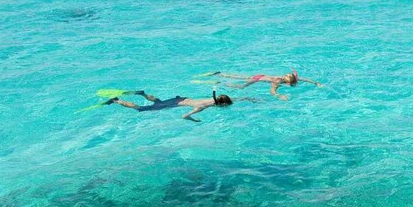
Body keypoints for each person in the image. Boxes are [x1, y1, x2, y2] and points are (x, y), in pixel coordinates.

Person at [103, 90, 234, 122]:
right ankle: (116, 100)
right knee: (140, 109)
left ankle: (143, 94)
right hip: (174, 104)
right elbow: (184, 116)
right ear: (221, 104)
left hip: (180, 99)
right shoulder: (202, 107)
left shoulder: (212, 97)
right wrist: (195, 120)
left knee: (158, 101)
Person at [209, 69, 322, 100]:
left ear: (288, 81)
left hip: (259, 76)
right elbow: (301, 79)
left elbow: (273, 91)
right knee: (242, 86)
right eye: (287, 74)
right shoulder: (278, 81)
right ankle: (224, 82)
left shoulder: (277, 81)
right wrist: (316, 83)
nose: (285, 75)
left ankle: (221, 75)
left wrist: (277, 95)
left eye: (287, 76)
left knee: (241, 78)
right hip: (257, 79)